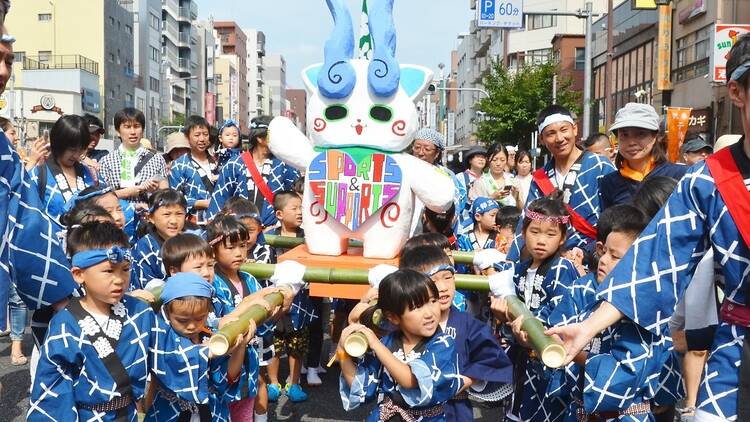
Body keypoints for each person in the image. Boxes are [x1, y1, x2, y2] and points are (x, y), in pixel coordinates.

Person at [545, 34, 750, 422]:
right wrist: (588, 328)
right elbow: (655, 260)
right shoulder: (706, 180)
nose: (633, 141)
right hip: (735, 353)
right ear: (737, 91)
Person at [540, 204, 682, 421]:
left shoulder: (646, 309)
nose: (604, 260)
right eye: (604, 251)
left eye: (615, 256)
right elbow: (556, 328)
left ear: (640, 264)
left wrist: (571, 353)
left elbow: (625, 373)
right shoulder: (582, 287)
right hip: (577, 412)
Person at [27, 222, 155, 421]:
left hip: (129, 414)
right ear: (79, 274)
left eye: (125, 269)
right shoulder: (65, 325)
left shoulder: (140, 312)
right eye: (109, 271)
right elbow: (53, 388)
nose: (120, 279)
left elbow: (168, 353)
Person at [489, 194, 580, 421]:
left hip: (550, 360)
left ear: (562, 239)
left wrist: (529, 329)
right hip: (523, 359)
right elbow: (514, 311)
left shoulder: (562, 268)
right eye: (535, 232)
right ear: (523, 233)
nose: (541, 240)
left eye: (550, 234)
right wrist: (505, 316)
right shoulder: (520, 269)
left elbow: (561, 318)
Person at [400, 245, 513, 421]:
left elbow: (491, 358)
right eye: (434, 280)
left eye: (448, 277)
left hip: (453, 409)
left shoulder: (468, 325)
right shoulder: (402, 322)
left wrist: (460, 383)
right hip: (406, 409)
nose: (443, 287)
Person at [338, 269, 464, 421]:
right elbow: (363, 388)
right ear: (393, 317)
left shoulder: (443, 343)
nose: (429, 313)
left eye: (432, 301)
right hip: (386, 415)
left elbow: (409, 380)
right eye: (417, 307)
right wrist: (342, 351)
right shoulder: (387, 342)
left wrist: (376, 345)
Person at [206, 213, 294, 422]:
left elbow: (265, 320)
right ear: (213, 250)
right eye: (231, 247)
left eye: (243, 246)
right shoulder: (210, 283)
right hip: (222, 363)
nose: (239, 252)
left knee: (248, 403)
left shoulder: (250, 279)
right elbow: (211, 323)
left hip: (250, 356)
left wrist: (281, 308)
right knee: (222, 410)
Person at [509, 105, 615, 261]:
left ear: (575, 129)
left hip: (593, 258)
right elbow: (528, 221)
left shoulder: (601, 166)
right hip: (550, 260)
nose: (559, 138)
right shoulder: (541, 177)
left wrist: (590, 251)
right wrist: (512, 260)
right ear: (541, 139)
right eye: (551, 133)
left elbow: (615, 217)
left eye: (564, 130)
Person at [146, 272, 251, 422]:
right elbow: (177, 358)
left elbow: (226, 377)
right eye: (182, 320)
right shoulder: (161, 338)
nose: (191, 326)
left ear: (208, 312)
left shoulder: (211, 335)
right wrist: (209, 351)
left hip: (211, 410)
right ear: (167, 313)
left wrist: (240, 347)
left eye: (199, 318)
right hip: (170, 411)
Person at [208, 115, 299, 227]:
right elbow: (220, 198)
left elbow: (296, 196)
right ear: (260, 138)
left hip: (275, 231)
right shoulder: (235, 164)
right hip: (240, 231)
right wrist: (215, 227)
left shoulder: (286, 165)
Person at [599, 102, 687, 210]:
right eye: (624, 135)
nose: (631, 142)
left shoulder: (680, 175)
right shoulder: (609, 182)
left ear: (655, 136)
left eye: (640, 134)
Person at [29, 114, 102, 225]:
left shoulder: (90, 174)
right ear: (59, 144)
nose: (76, 155)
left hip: (86, 240)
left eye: (81, 149)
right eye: (72, 149)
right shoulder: (38, 175)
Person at [99, 107, 168, 204]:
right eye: (127, 127)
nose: (132, 132)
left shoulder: (157, 159)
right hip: (119, 216)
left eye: (136, 126)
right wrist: (127, 192)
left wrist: (154, 190)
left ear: (143, 130)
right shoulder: (107, 161)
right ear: (118, 131)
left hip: (147, 216)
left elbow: (165, 195)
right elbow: (101, 198)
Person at [131, 188, 187, 290]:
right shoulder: (144, 247)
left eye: (179, 214)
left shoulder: (190, 242)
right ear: (150, 218)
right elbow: (149, 290)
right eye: (167, 214)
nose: (174, 221)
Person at [169, 115, 217, 225]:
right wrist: (203, 203)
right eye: (197, 135)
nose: (202, 139)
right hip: (192, 225)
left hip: (218, 223)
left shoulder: (217, 162)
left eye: (205, 134)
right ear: (187, 137)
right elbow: (175, 198)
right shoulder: (179, 165)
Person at [469, 143, 520, 208]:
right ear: (488, 160)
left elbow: (521, 209)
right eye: (494, 160)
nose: (498, 163)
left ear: (506, 160)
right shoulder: (481, 182)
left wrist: (517, 197)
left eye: (502, 160)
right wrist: (492, 197)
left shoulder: (513, 179)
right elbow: (475, 208)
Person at [454, 145, 487, 235]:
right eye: (478, 157)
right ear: (470, 160)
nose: (481, 159)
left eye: (483, 157)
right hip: (464, 224)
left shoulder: (488, 178)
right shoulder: (459, 177)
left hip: (485, 224)